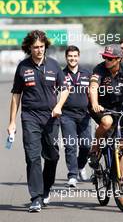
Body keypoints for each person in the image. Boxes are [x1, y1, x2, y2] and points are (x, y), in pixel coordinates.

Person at [7, 30, 69, 213]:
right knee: (33, 157)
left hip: (51, 117)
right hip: (30, 117)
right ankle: (35, 197)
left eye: (42, 46)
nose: (39, 50)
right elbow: (16, 96)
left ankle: (45, 189)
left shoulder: (54, 65)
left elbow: (65, 89)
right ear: (29, 48)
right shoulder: (23, 67)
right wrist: (12, 122)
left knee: (53, 156)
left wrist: (59, 106)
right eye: (36, 47)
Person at [60, 45, 91, 188]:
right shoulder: (61, 74)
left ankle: (80, 167)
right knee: (70, 146)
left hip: (85, 115)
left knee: (86, 146)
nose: (72, 59)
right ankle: (72, 176)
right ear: (66, 57)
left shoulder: (87, 73)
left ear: (78, 57)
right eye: (70, 56)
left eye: (75, 56)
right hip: (67, 116)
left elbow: (93, 94)